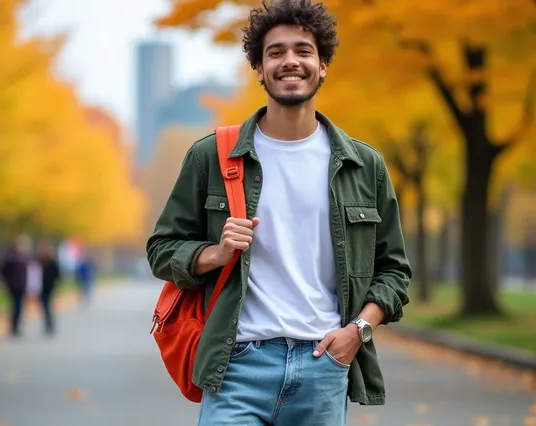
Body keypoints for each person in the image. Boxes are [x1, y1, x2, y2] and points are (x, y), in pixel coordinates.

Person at [146, 0, 411, 424]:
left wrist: (356, 333)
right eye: (276, 52)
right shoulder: (212, 156)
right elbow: (161, 249)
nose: (291, 61)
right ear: (259, 68)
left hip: (324, 365)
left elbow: (394, 272)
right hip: (236, 366)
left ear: (322, 65)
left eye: (303, 51)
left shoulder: (365, 166)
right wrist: (214, 254)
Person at [0, 235, 31, 338]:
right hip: (13, 286)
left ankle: (16, 326)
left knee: (19, 307)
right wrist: (8, 282)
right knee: (15, 307)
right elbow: (2, 271)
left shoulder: (25, 258)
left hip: (22, 286)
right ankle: (14, 327)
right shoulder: (10, 258)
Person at [37, 241, 61, 335]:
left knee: (48, 307)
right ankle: (48, 324)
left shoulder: (52, 262)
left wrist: (55, 285)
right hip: (40, 288)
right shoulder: (38, 261)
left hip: (50, 288)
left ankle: (49, 324)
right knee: (44, 307)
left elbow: (57, 275)